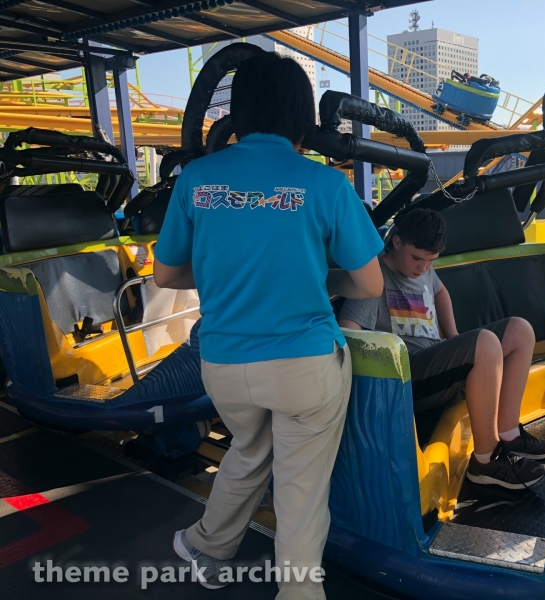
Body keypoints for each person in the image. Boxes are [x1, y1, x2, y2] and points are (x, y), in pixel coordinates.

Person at [153, 51, 384, 597]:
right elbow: (371, 284)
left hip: (225, 364)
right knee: (301, 491)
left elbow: (166, 275)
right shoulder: (325, 185)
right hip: (304, 365)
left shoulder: (197, 179)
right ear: (301, 116)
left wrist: (226, 271)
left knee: (249, 451)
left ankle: (206, 547)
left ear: (239, 111)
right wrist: (319, 277)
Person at [337, 208, 545, 490]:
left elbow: (440, 291)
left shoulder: (423, 269)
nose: (423, 268)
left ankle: (510, 435)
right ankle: (485, 462)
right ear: (397, 241)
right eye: (417, 258)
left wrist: (453, 336)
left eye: (432, 260)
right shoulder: (377, 276)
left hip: (436, 360)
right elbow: (348, 328)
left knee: (520, 330)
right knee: (485, 342)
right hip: (409, 375)